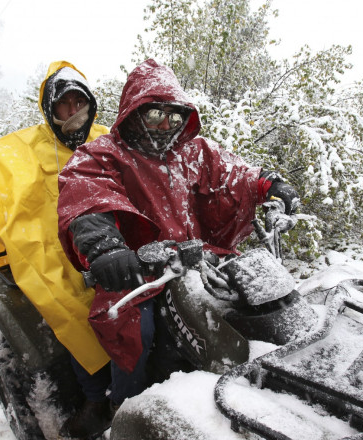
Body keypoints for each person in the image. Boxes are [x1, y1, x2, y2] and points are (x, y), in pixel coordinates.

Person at [56, 59, 300, 437]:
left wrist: (270, 185)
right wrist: (106, 248)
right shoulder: (102, 155)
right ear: (134, 111)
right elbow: (87, 198)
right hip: (140, 271)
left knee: (258, 300)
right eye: (155, 113)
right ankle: (124, 409)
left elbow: (237, 175)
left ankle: (278, 388)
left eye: (174, 115)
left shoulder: (194, 151)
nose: (165, 125)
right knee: (138, 330)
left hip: (200, 259)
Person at [0, 61, 112, 436]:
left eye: (80, 103)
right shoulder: (26, 147)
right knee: (70, 306)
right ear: (50, 109)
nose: (74, 113)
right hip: (52, 250)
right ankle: (95, 397)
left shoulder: (107, 140)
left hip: (110, 239)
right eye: (64, 105)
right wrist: (1, 241)